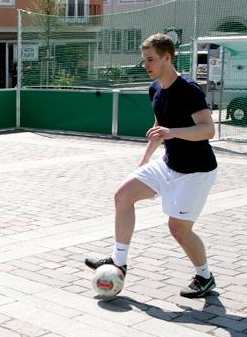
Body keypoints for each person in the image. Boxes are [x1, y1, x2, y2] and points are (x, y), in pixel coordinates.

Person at [85, 33, 218, 298]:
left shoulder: (189, 89)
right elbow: (160, 128)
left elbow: (208, 130)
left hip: (196, 172)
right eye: (144, 59)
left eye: (150, 59)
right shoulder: (154, 88)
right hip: (167, 164)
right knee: (123, 195)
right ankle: (118, 262)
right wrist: (146, 158)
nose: (145, 65)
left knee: (178, 229)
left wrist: (173, 133)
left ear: (167, 58)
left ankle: (204, 276)